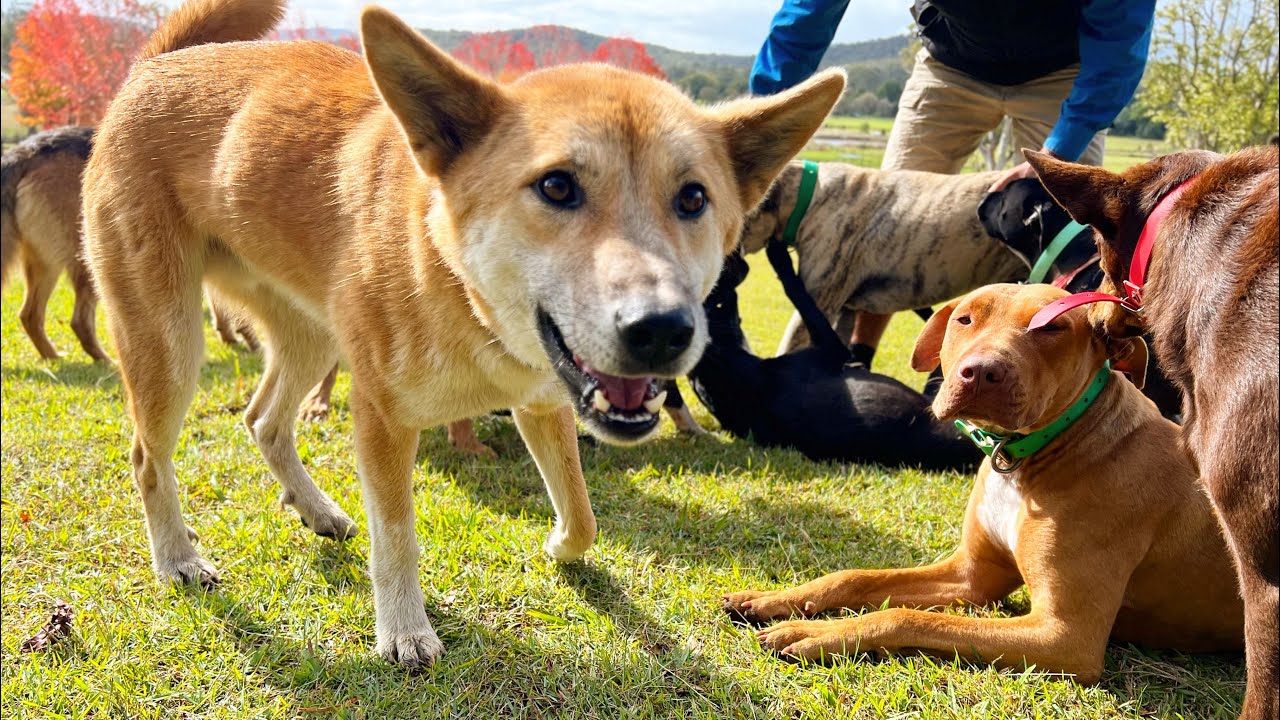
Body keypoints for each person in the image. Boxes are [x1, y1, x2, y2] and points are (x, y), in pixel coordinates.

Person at [750, 0, 1156, 367]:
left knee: (1077, 239)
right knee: (884, 220)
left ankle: (1073, 389)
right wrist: (762, 116)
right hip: (951, 67)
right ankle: (858, 358)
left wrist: (1063, 146)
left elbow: (1119, 37)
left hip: (1064, 71)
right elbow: (809, 13)